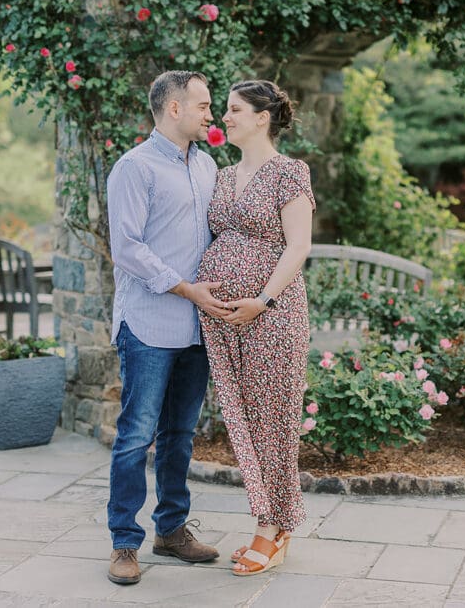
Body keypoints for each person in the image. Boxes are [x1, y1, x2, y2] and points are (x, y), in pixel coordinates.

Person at [105, 70, 232, 585]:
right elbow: (128, 248)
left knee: (180, 435)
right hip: (149, 323)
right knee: (136, 436)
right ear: (174, 109)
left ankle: (172, 530)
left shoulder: (207, 165)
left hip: (197, 328)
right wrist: (185, 288)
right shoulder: (133, 168)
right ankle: (123, 542)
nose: (211, 114)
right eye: (203, 105)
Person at [196, 79, 315, 576]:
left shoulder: (290, 172)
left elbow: (298, 246)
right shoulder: (222, 177)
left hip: (271, 314)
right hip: (223, 321)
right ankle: (273, 520)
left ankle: (271, 527)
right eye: (224, 110)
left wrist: (261, 300)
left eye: (235, 109)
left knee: (273, 419)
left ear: (263, 117)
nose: (225, 117)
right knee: (242, 422)